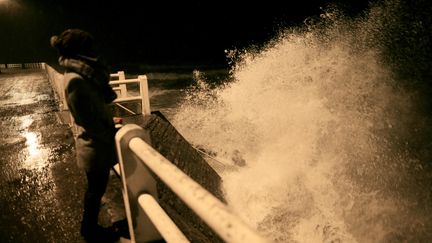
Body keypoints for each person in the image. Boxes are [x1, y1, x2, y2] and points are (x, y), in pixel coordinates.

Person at [50, 29, 122, 242]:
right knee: (95, 191)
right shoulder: (75, 79)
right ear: (80, 50)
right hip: (93, 146)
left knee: (96, 190)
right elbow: (86, 119)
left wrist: (110, 120)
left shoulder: (80, 74)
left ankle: (89, 228)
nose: (94, 51)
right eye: (90, 47)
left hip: (95, 144)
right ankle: (89, 230)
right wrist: (108, 130)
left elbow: (94, 108)